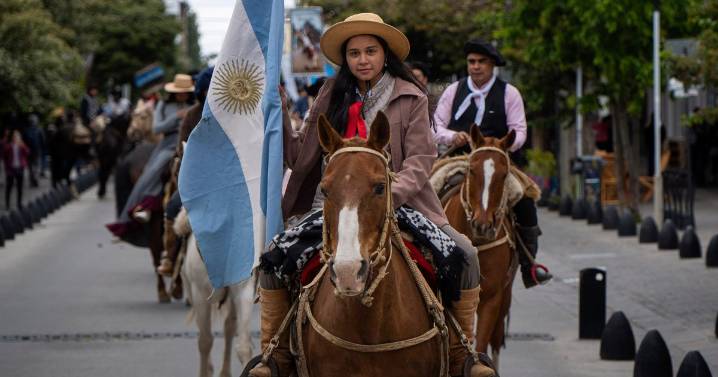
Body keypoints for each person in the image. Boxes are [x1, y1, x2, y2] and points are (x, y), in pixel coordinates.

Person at [251, 13, 493, 377]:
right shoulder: (330, 94)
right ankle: (276, 355)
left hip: (399, 202)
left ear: (385, 54)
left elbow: (421, 158)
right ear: (345, 59)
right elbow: (301, 155)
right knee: (273, 258)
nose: (362, 60)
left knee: (467, 254)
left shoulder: (411, 96)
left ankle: (462, 355)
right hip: (335, 205)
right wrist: (279, 111)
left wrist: (388, 194)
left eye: (370, 51)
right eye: (353, 53)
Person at [433, 39, 553, 289]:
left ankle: (529, 265)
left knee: (524, 198)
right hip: (461, 159)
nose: (475, 67)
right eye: (471, 62)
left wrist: (503, 145)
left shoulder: (510, 93)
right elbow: (437, 125)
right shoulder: (453, 91)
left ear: (492, 65)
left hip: (499, 159)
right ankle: (425, 254)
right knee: (430, 189)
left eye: (481, 62)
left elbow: (520, 130)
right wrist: (451, 136)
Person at [106, 74, 195, 242]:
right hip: (169, 144)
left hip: (192, 143)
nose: (182, 95)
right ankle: (142, 206)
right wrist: (176, 117)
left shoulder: (195, 105)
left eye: (185, 92)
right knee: (155, 168)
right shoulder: (163, 105)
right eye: (180, 92)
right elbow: (156, 128)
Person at [157, 66, 214, 276]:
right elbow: (182, 151)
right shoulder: (192, 115)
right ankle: (169, 257)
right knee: (172, 207)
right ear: (201, 91)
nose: (211, 93)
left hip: (228, 179)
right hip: (196, 178)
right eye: (208, 89)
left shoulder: (232, 114)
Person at [2, 130, 29, 209]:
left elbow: (27, 153)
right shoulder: (9, 145)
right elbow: (4, 155)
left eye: (17, 137)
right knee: (9, 187)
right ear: (12, 138)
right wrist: (7, 168)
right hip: (11, 169)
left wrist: (22, 145)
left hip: (20, 168)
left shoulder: (21, 145)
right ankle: (7, 204)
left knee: (20, 187)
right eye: (15, 137)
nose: (16, 138)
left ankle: (19, 203)